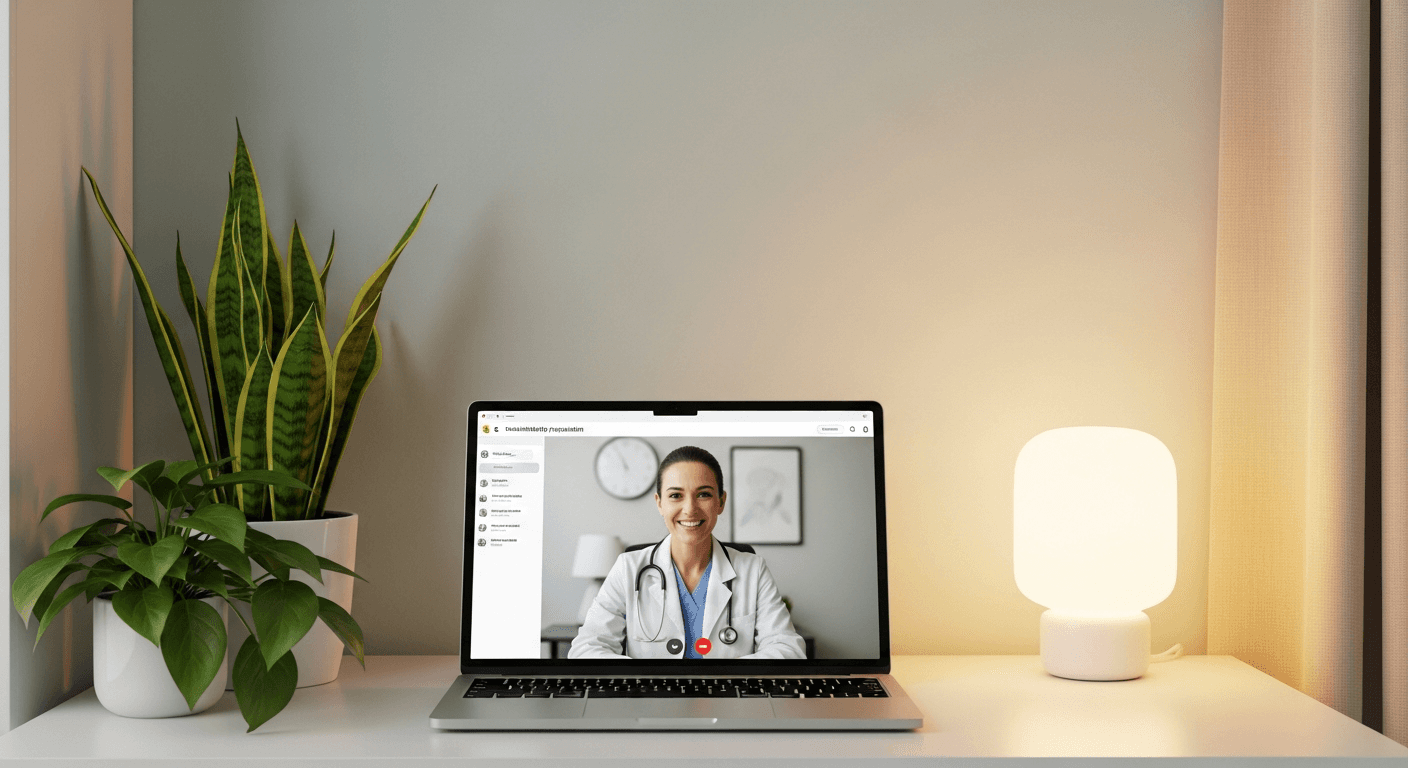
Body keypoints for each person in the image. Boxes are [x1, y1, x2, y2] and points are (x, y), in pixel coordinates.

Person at [570, 446, 806, 659]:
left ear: (720, 502)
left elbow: (787, 648)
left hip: (727, 702)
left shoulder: (753, 569)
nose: (690, 509)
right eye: (675, 495)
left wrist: (723, 679)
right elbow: (587, 648)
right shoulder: (628, 568)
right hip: (650, 701)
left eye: (703, 494)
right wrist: (647, 681)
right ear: (659, 503)